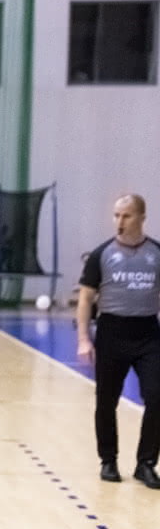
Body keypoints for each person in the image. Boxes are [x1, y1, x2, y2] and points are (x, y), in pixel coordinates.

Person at [76, 193, 160, 487]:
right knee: (106, 401)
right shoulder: (103, 255)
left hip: (148, 332)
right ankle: (108, 459)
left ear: (141, 218)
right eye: (116, 216)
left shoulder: (156, 254)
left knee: (157, 396)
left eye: (126, 216)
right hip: (112, 332)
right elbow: (86, 298)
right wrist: (84, 339)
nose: (119, 222)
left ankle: (146, 463)